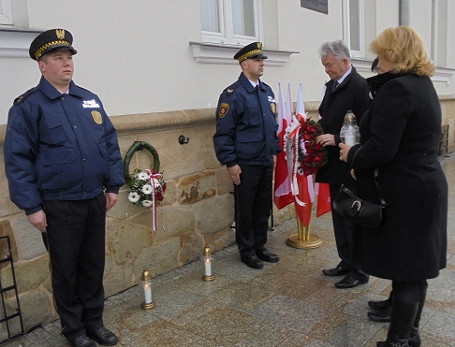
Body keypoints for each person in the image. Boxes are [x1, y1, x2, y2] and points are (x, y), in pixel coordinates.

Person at [4, 29, 124, 347]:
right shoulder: (28, 107)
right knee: (66, 270)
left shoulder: (89, 99)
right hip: (59, 205)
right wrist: (31, 206)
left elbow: (109, 143)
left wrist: (113, 185)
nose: (66, 63)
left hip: (92, 199)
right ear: (42, 66)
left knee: (92, 264)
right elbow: (18, 161)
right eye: (58, 58)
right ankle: (73, 330)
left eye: (69, 57)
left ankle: (94, 322)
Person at [339, 25, 448, 347]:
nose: (377, 60)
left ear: (394, 54)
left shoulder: (398, 88)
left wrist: (352, 154)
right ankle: (409, 334)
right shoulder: (421, 84)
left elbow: (383, 147)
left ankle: (399, 341)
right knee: (415, 269)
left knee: (407, 271)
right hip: (422, 187)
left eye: (381, 53)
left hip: (407, 193)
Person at [213, 42, 281, 269]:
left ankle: (260, 245)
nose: (262, 63)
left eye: (262, 60)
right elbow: (224, 133)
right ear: (244, 64)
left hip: (264, 159)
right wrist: (230, 162)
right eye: (257, 60)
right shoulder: (233, 95)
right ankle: (247, 249)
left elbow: (271, 126)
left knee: (263, 205)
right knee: (246, 207)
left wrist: (275, 151)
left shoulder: (266, 91)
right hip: (245, 162)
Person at [315, 40, 371, 288]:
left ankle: (358, 270)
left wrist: (336, 138)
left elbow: (367, 128)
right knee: (340, 215)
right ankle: (345, 261)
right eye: (324, 65)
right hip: (334, 162)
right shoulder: (334, 85)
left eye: (329, 65)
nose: (326, 69)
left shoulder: (359, 87)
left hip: (350, 163)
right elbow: (326, 114)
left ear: (345, 61)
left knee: (352, 216)